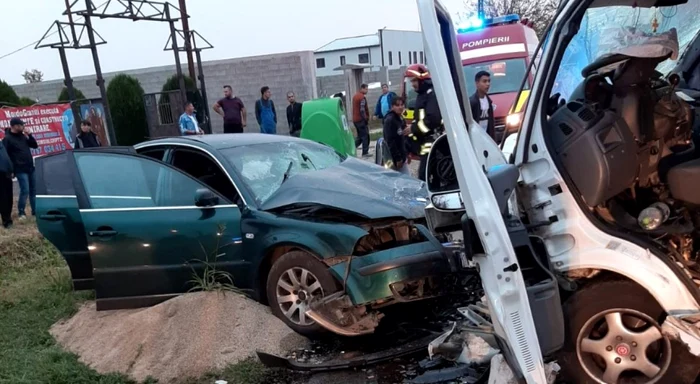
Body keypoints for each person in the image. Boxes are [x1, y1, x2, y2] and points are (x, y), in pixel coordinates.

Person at [403, 64, 442, 181]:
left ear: (421, 79)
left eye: (414, 80)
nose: (412, 84)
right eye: (411, 81)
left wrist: (413, 129)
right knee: (429, 174)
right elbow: (422, 117)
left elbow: (433, 119)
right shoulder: (422, 94)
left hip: (431, 141)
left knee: (424, 175)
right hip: (425, 140)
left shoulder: (430, 94)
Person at [3, 118, 38, 219]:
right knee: (25, 190)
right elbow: (6, 156)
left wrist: (30, 135)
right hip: (20, 169)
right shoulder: (8, 139)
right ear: (14, 126)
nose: (23, 127)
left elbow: (34, 146)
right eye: (21, 125)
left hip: (30, 167)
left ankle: (35, 211)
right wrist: (11, 170)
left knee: (33, 190)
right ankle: (21, 212)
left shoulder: (23, 136)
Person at [383, 97, 410, 174]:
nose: (400, 107)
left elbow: (404, 138)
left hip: (402, 155)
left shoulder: (400, 118)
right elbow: (390, 141)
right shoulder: (390, 120)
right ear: (392, 107)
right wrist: (397, 159)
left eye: (402, 105)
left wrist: (407, 153)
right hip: (392, 159)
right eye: (397, 105)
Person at [469, 71, 496, 140]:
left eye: (489, 81)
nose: (488, 84)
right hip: (476, 138)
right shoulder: (472, 102)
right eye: (484, 81)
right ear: (477, 83)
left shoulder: (489, 101)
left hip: (486, 138)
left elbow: (491, 124)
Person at [352, 83, 371, 157]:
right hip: (361, 120)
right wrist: (365, 118)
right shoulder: (362, 97)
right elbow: (362, 109)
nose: (367, 91)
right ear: (362, 88)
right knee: (365, 136)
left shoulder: (355, 96)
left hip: (355, 119)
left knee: (360, 137)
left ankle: (351, 148)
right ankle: (365, 152)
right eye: (366, 89)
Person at [0, 138, 13, 229]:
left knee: (9, 197)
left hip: (7, 173)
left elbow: (6, 158)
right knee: (3, 198)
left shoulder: (1, 143)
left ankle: (8, 217)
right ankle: (6, 221)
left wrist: (11, 169)